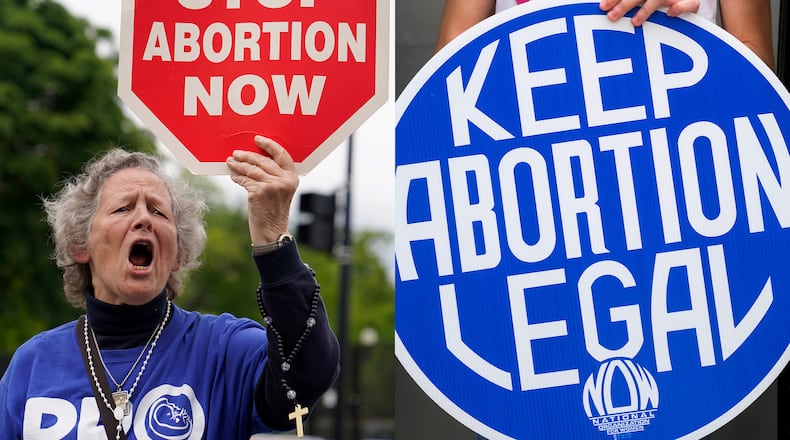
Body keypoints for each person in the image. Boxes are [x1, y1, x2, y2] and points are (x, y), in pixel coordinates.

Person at [0, 136, 340, 439]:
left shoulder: (224, 350)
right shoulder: (33, 364)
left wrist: (272, 237)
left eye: (159, 212)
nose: (144, 218)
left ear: (177, 253)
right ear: (80, 245)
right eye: (123, 208)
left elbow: (307, 376)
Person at [435, 0, 775, 71]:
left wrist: (677, 21)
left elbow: (760, 78)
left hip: (678, 149)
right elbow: (445, 78)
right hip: (531, 161)